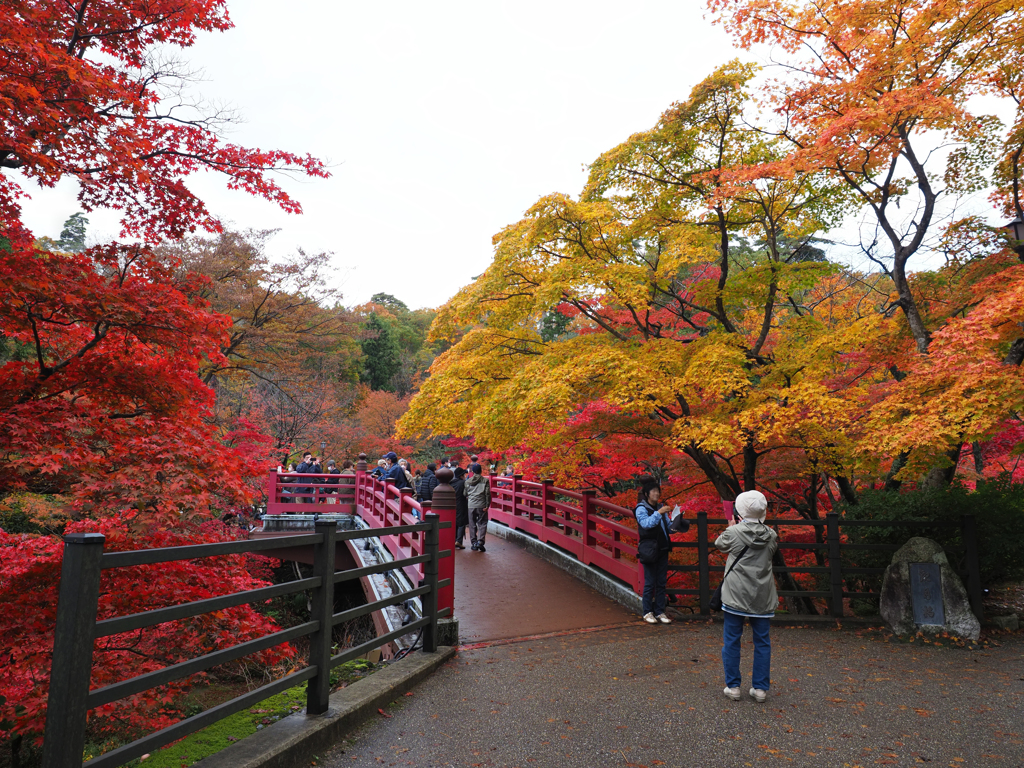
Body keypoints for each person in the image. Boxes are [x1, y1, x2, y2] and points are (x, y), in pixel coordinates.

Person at [715, 490, 779, 704]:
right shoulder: (771, 534)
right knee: (762, 642)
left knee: (732, 640)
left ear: (740, 510)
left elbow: (719, 544)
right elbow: (770, 552)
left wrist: (732, 527)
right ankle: (760, 689)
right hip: (762, 596)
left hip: (735, 595)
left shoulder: (733, 533)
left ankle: (733, 686)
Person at [634, 476, 674, 625]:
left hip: (663, 548)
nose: (656, 494)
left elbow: (667, 527)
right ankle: (647, 612)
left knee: (661, 582)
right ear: (646, 494)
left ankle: (659, 611)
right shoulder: (641, 509)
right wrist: (659, 513)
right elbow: (645, 524)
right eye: (653, 492)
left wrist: (676, 524)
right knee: (650, 582)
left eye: (658, 491)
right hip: (649, 550)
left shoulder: (660, 507)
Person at [464, 463, 491, 552]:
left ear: (472, 471)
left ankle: (474, 543)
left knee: (472, 524)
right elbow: (487, 494)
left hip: (471, 505)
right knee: (482, 523)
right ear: (481, 471)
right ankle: (480, 541)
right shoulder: (485, 480)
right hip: (482, 505)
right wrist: (487, 505)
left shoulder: (468, 481)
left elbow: (465, 493)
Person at [450, 466, 469, 549]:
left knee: (454, 522)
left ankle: (453, 540)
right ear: (461, 475)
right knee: (461, 523)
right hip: (461, 504)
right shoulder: (463, 483)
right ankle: (459, 541)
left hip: (452, 504)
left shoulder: (451, 483)